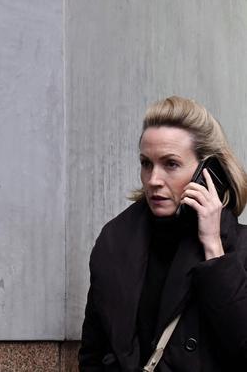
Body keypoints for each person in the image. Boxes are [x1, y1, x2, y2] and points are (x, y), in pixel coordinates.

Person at [79, 96, 247, 371]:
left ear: (208, 172)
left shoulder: (239, 249)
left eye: (170, 164)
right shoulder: (114, 243)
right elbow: (92, 353)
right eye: (146, 164)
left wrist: (214, 250)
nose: (154, 180)